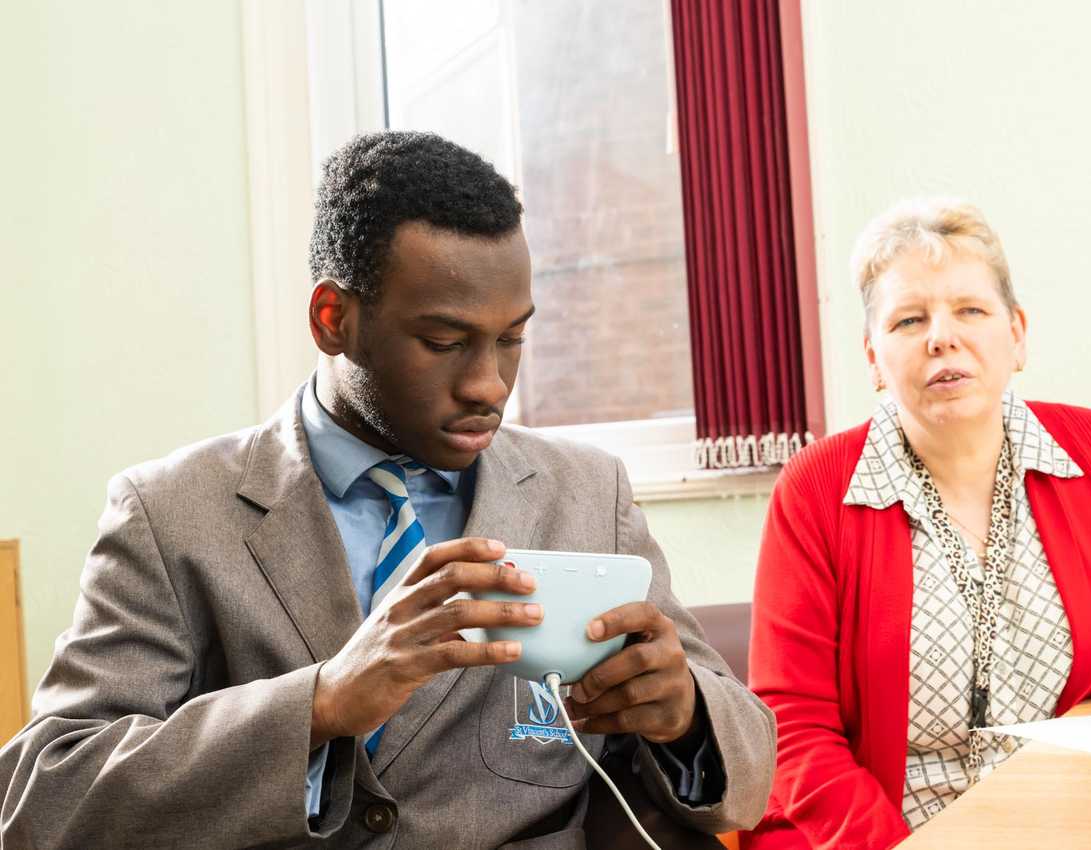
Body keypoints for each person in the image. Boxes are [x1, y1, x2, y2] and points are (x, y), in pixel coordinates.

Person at [0, 131, 775, 849]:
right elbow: (44, 797)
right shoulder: (169, 514)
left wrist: (684, 716)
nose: (488, 385)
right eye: (443, 341)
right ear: (333, 318)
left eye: (512, 339)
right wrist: (321, 703)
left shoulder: (587, 494)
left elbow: (749, 769)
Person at [744, 198, 1091, 849]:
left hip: (1063, 821)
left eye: (971, 310)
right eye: (909, 319)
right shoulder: (816, 489)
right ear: (873, 357)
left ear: (1017, 333)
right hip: (875, 831)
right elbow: (793, 726)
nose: (942, 336)